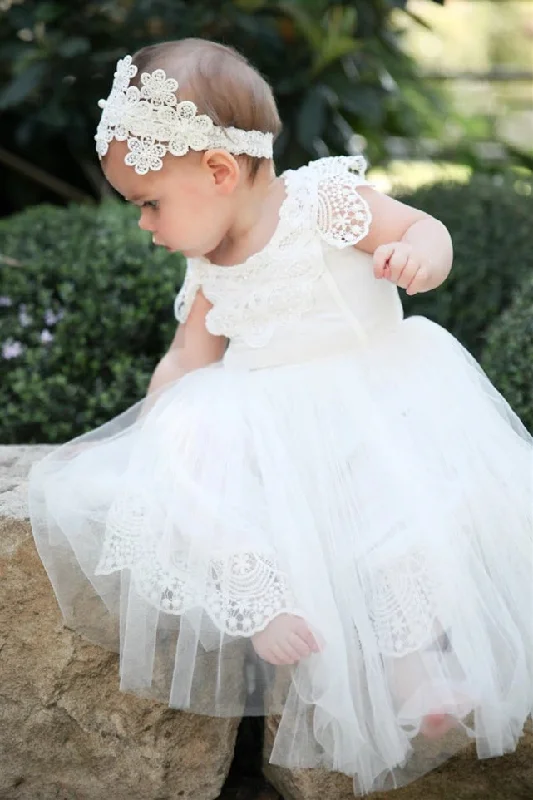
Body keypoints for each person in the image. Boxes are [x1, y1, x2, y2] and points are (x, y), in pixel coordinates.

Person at [28, 38, 533, 795]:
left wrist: (422, 257)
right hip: (268, 419)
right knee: (201, 483)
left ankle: (413, 669)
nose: (144, 225)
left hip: (378, 400)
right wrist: (158, 426)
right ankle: (261, 599)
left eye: (149, 204)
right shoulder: (208, 267)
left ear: (219, 171)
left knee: (401, 520)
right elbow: (188, 358)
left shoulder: (323, 203)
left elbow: (420, 228)